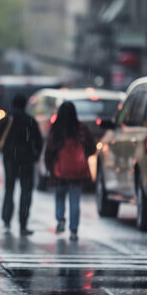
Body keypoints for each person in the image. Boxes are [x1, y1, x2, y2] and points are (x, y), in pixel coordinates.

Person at [44, 101, 95, 241]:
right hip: (77, 172)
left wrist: (49, 166)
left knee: (60, 196)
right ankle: (74, 230)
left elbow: (49, 150)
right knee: (75, 200)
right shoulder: (81, 129)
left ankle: (60, 218)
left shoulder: (57, 129)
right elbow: (92, 147)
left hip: (60, 171)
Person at [0, 94, 43, 236]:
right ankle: (23, 224)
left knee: (9, 190)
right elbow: (38, 142)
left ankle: (7, 219)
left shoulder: (7, 119)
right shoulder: (30, 121)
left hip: (10, 159)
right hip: (26, 161)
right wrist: (35, 156)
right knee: (26, 193)